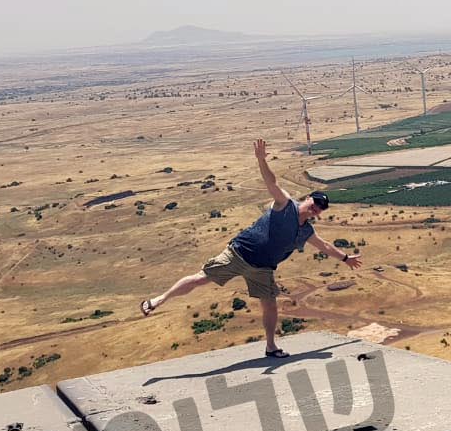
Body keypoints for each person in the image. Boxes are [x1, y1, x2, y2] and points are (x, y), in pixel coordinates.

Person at [140, 139, 361, 357]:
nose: (317, 208)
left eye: (321, 208)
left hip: (262, 269)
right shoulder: (285, 204)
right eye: (316, 203)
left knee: (270, 305)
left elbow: (324, 246)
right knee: (201, 278)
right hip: (239, 254)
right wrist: (261, 160)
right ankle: (159, 300)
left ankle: (271, 346)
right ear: (309, 198)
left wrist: (345, 258)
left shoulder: (306, 231)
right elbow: (272, 183)